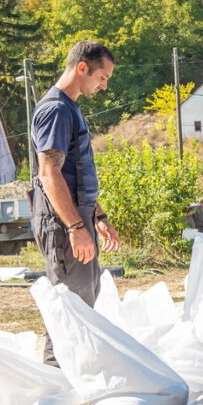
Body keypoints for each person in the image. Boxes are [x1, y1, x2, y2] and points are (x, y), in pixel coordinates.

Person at [31, 40, 122, 367]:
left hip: (78, 217)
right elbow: (49, 172)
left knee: (83, 301)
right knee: (68, 306)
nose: (104, 84)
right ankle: (57, 382)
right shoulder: (55, 109)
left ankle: (74, 378)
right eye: (103, 76)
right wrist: (75, 226)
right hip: (62, 222)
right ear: (82, 68)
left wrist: (98, 216)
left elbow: (75, 173)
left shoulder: (69, 107)